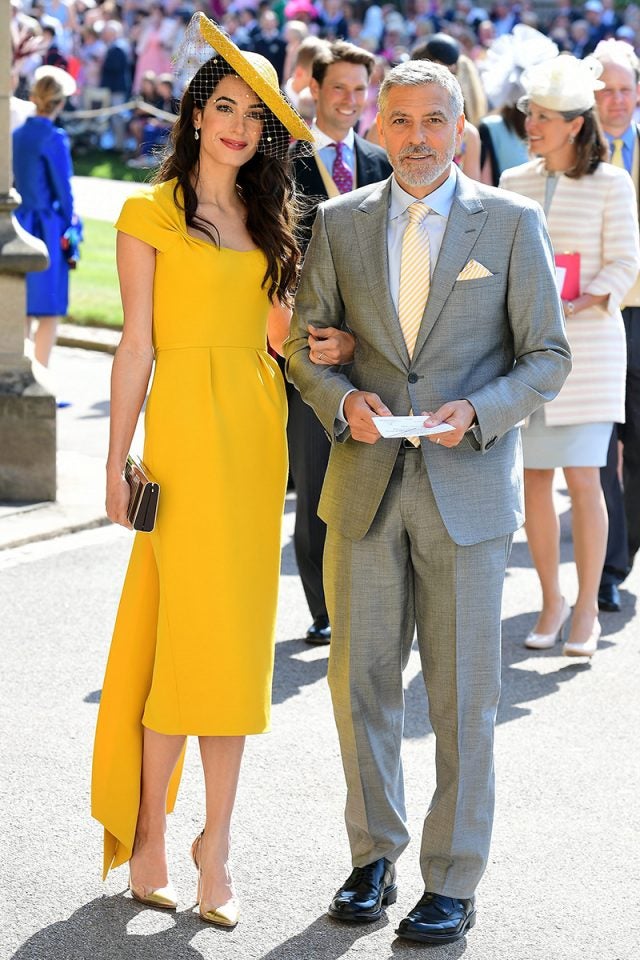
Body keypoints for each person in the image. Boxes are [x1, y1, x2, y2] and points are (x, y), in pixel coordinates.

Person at [285, 59, 570, 944]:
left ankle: (452, 878)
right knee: (359, 685)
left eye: (433, 121)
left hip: (468, 492)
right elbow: (304, 346)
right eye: (399, 121)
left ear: (460, 127)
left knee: (461, 697)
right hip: (364, 489)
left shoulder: (513, 225)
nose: (415, 138)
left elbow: (547, 359)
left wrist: (480, 413)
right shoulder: (337, 221)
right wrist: (343, 401)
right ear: (378, 125)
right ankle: (373, 859)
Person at [91, 12, 313, 928]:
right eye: (224, 106)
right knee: (182, 642)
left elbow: (279, 345)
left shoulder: (273, 218)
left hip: (255, 436)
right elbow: (136, 343)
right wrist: (116, 457)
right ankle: (151, 834)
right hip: (181, 432)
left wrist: (299, 311)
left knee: (232, 648)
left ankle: (214, 848)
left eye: (253, 116)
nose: (236, 126)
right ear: (193, 114)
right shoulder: (149, 212)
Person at [500, 55, 640, 657]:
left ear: (575, 124)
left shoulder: (613, 183)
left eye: (546, 117)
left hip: (592, 350)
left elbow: (627, 263)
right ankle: (551, 601)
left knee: (586, 476)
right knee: (533, 477)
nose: (532, 124)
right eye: (530, 114)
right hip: (527, 353)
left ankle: (586, 608)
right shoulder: (511, 183)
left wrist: (582, 300)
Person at [287, 40, 392, 645]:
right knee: (316, 476)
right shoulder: (286, 160)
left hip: (373, 347)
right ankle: (323, 606)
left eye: (360, 89)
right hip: (311, 347)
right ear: (317, 90)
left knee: (372, 477)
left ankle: (366, 598)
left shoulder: (381, 162)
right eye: (339, 89)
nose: (351, 101)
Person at [591, 40, 640, 612]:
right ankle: (607, 565)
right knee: (599, 449)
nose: (616, 100)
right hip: (596, 319)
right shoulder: (576, 155)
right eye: (606, 90)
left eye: (625, 89)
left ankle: (623, 548)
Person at [12, 65, 76, 368]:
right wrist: (72, 225)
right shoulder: (53, 137)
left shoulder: (17, 134)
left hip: (18, 221)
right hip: (46, 227)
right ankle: (42, 378)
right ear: (60, 103)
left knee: (22, 305)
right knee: (48, 309)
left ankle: (22, 373)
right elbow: (64, 192)